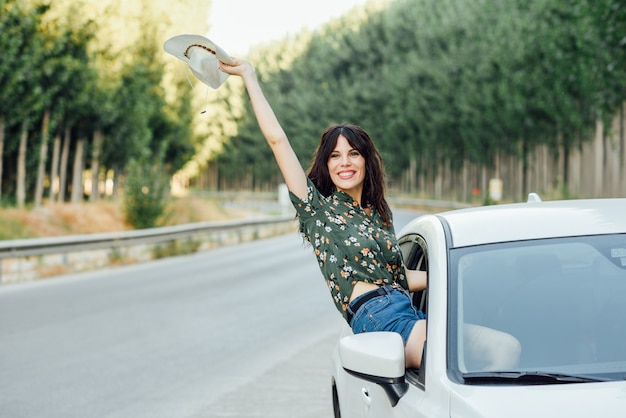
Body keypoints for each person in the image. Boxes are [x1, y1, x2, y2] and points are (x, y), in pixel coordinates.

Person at [218, 57, 520, 370]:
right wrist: (249, 77)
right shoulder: (318, 211)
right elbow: (277, 140)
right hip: (376, 316)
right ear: (326, 165)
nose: (344, 162)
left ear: (366, 161)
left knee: (506, 347)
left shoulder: (378, 214)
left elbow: (399, 277)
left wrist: (461, 273)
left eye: (353, 153)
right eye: (335, 156)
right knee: (462, 365)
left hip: (406, 309)